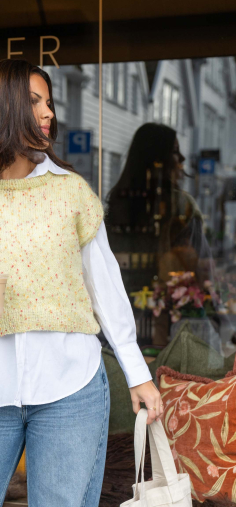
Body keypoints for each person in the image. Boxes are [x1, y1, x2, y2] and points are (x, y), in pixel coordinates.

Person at [0, 59, 161, 507]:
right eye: (34, 101)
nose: (48, 112)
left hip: (70, 389)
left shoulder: (70, 193)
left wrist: (137, 374)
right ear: (2, 108)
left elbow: (106, 288)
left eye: (49, 102)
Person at [106, 122, 216, 345]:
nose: (181, 158)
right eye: (175, 151)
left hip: (118, 326)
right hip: (165, 325)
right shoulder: (182, 207)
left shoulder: (116, 206)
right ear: (158, 160)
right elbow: (201, 271)